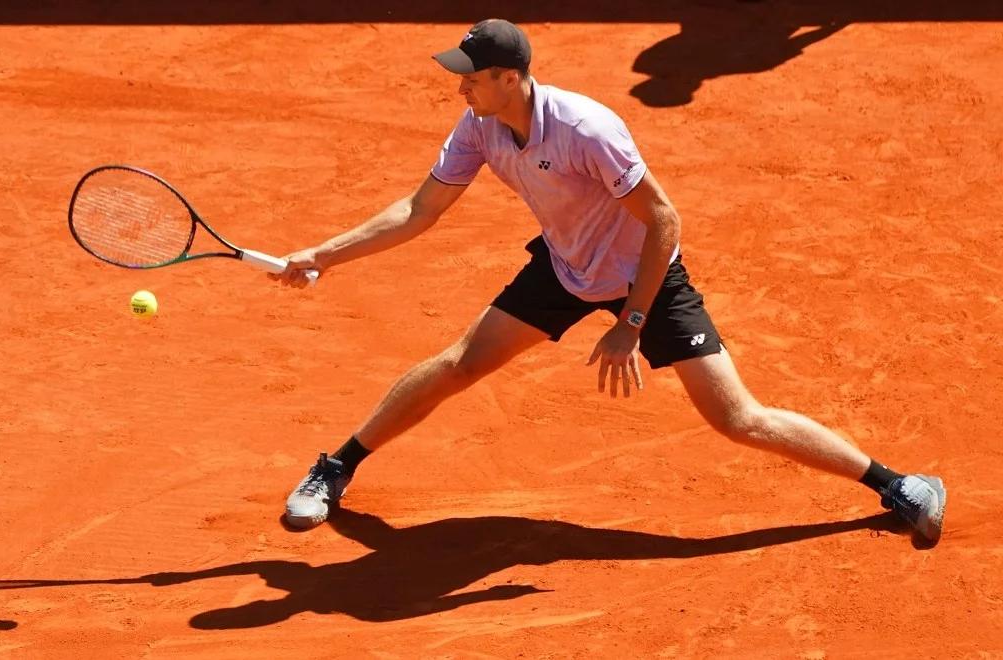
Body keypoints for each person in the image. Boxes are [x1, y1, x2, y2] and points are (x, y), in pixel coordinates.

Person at [271, 19, 945, 544]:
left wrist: (633, 322)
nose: (460, 87)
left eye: (471, 77)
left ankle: (901, 487)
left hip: (642, 276)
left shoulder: (587, 129)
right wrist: (325, 254)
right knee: (459, 364)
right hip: (566, 268)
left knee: (739, 418)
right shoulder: (480, 124)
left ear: (509, 78)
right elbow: (421, 210)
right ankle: (337, 465)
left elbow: (663, 220)